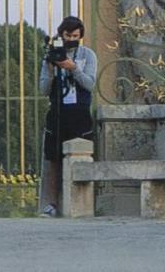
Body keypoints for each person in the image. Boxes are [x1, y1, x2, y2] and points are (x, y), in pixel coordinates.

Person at [38, 15, 98, 218]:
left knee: (82, 156)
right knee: (53, 158)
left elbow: (90, 84)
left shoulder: (88, 55)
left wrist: (73, 69)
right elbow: (44, 89)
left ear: (81, 35)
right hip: (57, 112)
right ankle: (52, 204)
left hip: (79, 112)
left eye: (75, 35)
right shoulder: (51, 56)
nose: (71, 38)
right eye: (68, 35)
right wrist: (51, 69)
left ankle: (82, 202)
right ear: (61, 34)